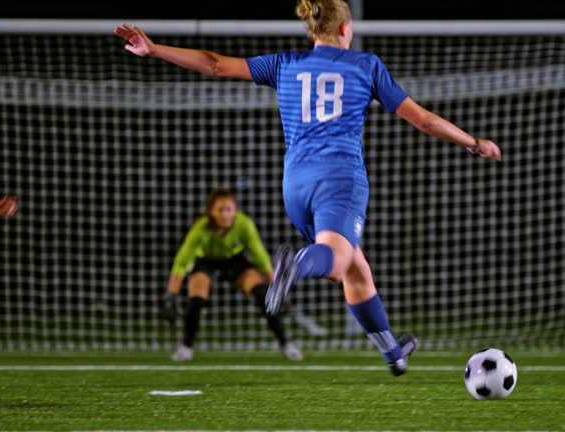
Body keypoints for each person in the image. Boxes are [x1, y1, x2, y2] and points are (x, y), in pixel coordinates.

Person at [114, 0, 501, 376]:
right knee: (335, 263)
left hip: (295, 184)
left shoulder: (285, 64)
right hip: (340, 179)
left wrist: (154, 48)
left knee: (355, 269)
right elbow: (423, 121)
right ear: (346, 28)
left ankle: (394, 354)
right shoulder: (366, 65)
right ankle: (294, 264)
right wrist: (474, 142)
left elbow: (214, 65)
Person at [162, 187, 303, 362]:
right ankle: (186, 347)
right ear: (211, 211)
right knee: (196, 298)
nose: (225, 214)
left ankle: (285, 344)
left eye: (229, 209)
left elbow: (260, 256)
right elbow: (182, 261)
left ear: (235, 210)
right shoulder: (201, 228)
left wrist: (276, 288)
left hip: (234, 260)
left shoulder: (244, 224)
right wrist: (171, 294)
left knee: (262, 295)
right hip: (206, 260)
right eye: (220, 210)